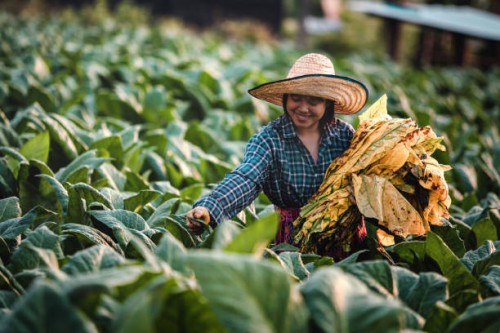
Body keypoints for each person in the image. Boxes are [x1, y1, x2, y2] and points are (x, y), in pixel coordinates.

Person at [186, 53, 368, 250]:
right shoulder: (269, 140)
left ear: (328, 103)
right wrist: (210, 208)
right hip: (295, 246)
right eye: (296, 98)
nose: (303, 108)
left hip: (347, 242)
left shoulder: (346, 136)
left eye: (314, 101)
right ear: (285, 99)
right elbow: (247, 178)